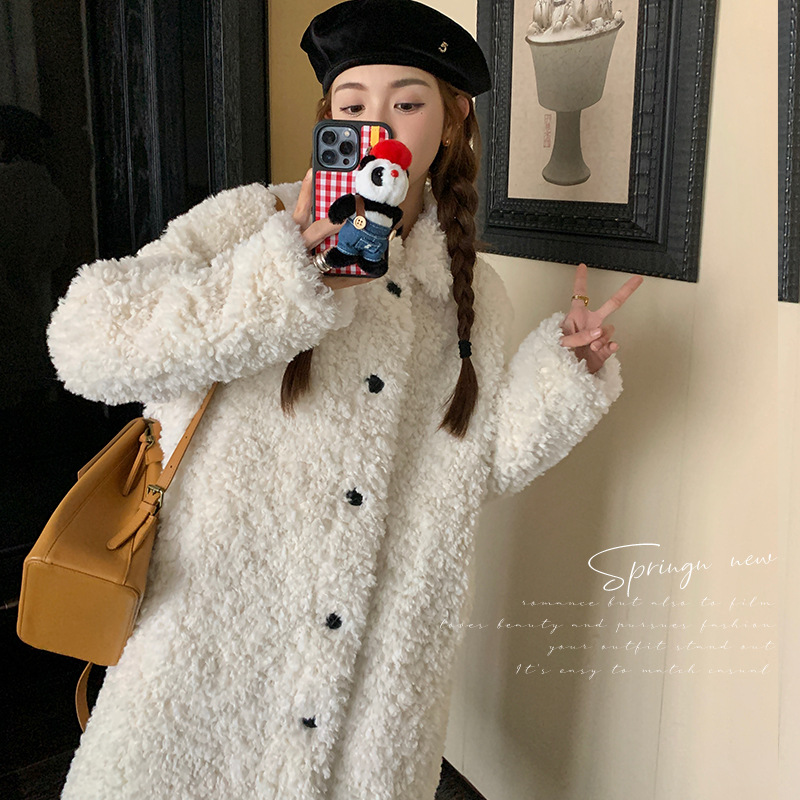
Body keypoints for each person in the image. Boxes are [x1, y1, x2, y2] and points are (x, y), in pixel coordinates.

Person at [51, 1, 642, 798]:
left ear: (451, 121)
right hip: (212, 648)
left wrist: (567, 371)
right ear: (329, 119)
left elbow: (479, 466)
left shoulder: (469, 292)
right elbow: (85, 344)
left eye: (407, 102)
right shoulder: (249, 223)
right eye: (353, 105)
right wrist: (278, 282)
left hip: (375, 679)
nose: (378, 125)